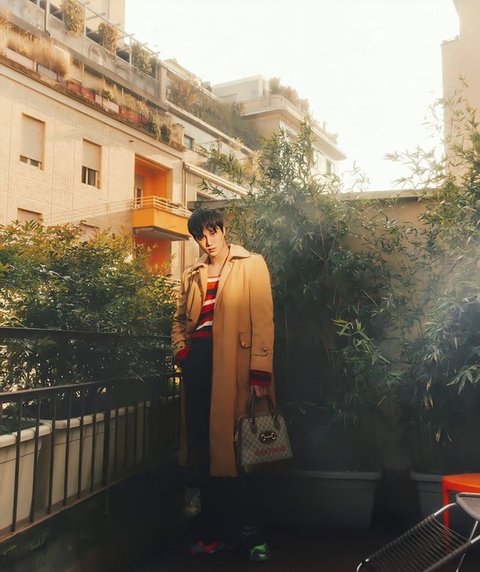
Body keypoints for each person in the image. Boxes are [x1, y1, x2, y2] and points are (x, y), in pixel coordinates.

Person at [171, 206, 275, 562]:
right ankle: (215, 534)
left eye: (212, 232)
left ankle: (253, 538)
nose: (208, 241)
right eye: (200, 236)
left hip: (238, 366)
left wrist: (260, 370)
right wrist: (182, 350)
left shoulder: (251, 264)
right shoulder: (192, 273)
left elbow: (264, 319)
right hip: (198, 363)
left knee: (243, 452)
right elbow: (179, 319)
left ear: (222, 230)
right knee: (205, 452)